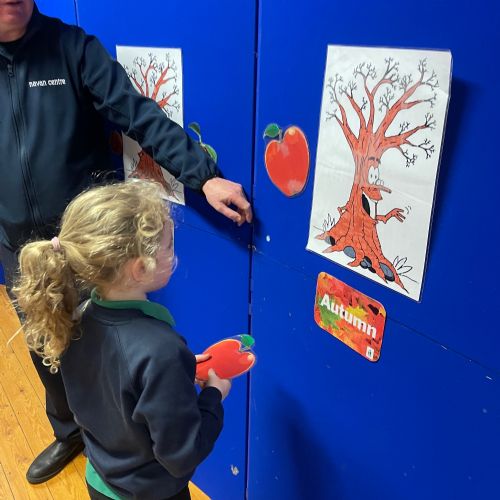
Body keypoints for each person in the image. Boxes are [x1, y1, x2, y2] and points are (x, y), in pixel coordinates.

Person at [0, 0, 251, 484]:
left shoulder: (71, 49)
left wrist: (203, 176)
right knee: (48, 348)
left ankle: (125, 451)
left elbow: (140, 115)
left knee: (111, 355)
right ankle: (72, 434)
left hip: (89, 243)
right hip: (19, 246)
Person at [14, 179, 232, 500]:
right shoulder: (161, 351)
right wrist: (213, 396)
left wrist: (173, 377)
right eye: (168, 246)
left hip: (100, 480)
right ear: (140, 269)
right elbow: (182, 456)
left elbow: (118, 385)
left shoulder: (76, 317)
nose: (174, 252)